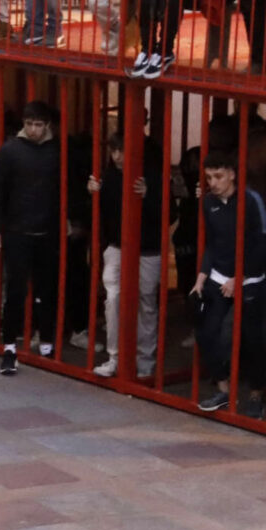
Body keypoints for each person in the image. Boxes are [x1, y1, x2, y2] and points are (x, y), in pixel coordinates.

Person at [193, 151, 266, 414]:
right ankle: (223, 390)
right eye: (208, 177)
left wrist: (240, 278)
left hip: (249, 279)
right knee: (207, 334)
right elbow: (212, 243)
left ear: (232, 174)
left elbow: (262, 244)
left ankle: (256, 394)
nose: (212, 183)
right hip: (218, 277)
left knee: (252, 339)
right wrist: (202, 277)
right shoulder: (208, 202)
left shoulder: (251, 200)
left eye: (218, 176)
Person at [0, 100, 61, 375]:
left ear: (47, 125)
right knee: (16, 293)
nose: (32, 129)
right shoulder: (11, 151)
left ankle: (47, 343)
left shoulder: (56, 151)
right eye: (29, 124)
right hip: (17, 233)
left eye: (38, 124)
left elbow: (65, 188)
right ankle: (9, 348)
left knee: (46, 291)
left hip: (45, 232)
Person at [90, 130, 161, 380]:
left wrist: (148, 196)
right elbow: (100, 217)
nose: (117, 156)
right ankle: (115, 358)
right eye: (114, 151)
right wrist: (94, 195)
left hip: (148, 248)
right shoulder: (108, 177)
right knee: (114, 299)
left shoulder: (153, 175)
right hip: (119, 247)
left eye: (122, 150)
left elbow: (169, 215)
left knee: (146, 303)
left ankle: (144, 361)